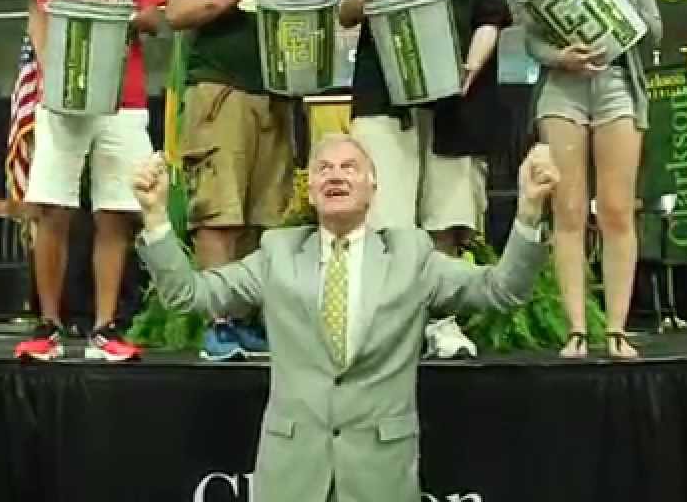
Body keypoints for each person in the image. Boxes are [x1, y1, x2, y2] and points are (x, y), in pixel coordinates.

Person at [131, 136, 557, 502]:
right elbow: (190, 295)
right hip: (292, 473)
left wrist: (530, 213)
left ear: (373, 187)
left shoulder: (412, 256)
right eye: (324, 168)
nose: (336, 175)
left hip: (380, 472)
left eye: (350, 167)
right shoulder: (277, 254)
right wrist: (154, 217)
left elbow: (502, 291)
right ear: (311, 189)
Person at [337, 0, 511, 359]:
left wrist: (471, 68)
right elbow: (346, 12)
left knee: (447, 217)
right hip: (382, 103)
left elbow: (490, 16)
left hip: (455, 104)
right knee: (387, 220)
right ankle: (394, 329)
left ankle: (445, 322)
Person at [12, 0, 167, 363]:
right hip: (64, 95)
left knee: (116, 214)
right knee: (52, 207)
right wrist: (48, 82)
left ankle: (105, 327)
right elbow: (37, 18)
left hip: (123, 98)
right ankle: (48, 325)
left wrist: (116, 6)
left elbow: (152, 18)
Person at [165, 0, 303, 361]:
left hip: (275, 100)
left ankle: (244, 321)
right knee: (218, 212)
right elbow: (177, 15)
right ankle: (218, 322)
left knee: (263, 220)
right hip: (219, 94)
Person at [523, 0, 663, 359]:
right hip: (563, 92)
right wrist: (562, 56)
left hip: (617, 88)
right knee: (568, 211)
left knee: (618, 211)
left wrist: (610, 15)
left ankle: (619, 330)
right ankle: (577, 330)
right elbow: (532, 42)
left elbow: (654, 28)